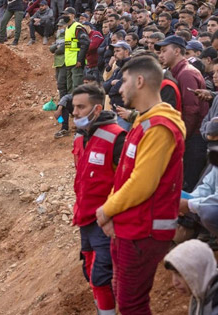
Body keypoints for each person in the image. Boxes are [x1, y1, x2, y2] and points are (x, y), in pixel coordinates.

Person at [96, 56, 186, 314]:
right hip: (131, 226)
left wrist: (107, 209)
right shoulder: (143, 122)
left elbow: (142, 184)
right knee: (121, 293)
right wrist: (112, 211)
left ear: (139, 81)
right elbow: (125, 174)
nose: (119, 88)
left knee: (131, 304)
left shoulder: (159, 127)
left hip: (143, 231)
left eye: (123, 81)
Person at [71, 84, 125, 315]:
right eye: (74, 107)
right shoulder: (79, 139)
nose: (75, 113)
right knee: (90, 270)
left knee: (102, 276)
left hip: (107, 222)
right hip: (85, 218)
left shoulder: (117, 138)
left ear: (97, 108)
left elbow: (127, 183)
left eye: (81, 107)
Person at [156, 36, 209, 193]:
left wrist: (181, 137)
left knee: (188, 183)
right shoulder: (176, 72)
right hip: (189, 135)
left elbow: (191, 110)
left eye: (165, 51)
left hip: (193, 137)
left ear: (177, 51)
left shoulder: (186, 73)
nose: (161, 55)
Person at [164, 240, 218, 315]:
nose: (175, 282)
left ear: (198, 271)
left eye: (180, 274)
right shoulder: (201, 294)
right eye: (173, 274)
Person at [62, 14, 91, 93]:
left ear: (72, 15)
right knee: (70, 88)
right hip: (69, 62)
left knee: (77, 88)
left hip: (76, 63)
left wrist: (80, 60)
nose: (64, 16)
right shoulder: (67, 28)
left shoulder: (77, 27)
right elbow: (68, 47)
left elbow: (85, 43)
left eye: (66, 13)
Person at [50, 21, 67, 98]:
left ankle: (63, 102)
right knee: (58, 82)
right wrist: (56, 47)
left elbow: (62, 49)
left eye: (61, 26)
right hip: (57, 62)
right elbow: (51, 48)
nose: (59, 28)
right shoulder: (59, 37)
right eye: (58, 27)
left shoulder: (68, 36)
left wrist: (57, 49)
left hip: (64, 62)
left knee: (62, 83)